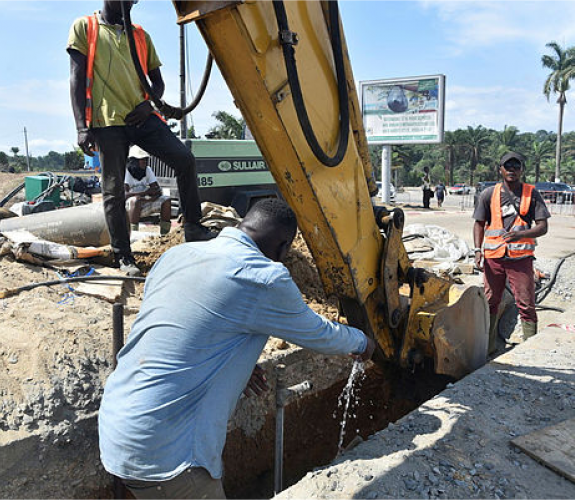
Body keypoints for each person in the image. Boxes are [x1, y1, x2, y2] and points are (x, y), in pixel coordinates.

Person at [98, 198, 376, 499]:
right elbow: (319, 333)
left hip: (117, 426)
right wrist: (363, 342)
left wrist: (235, 363)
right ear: (284, 249)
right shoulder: (264, 277)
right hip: (168, 454)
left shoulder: (177, 255)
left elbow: (180, 329)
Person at [67, 0, 215, 277]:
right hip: (106, 121)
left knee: (184, 159)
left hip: (141, 117)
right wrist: (81, 127)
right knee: (112, 191)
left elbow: (156, 82)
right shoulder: (84, 27)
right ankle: (124, 257)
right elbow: (76, 78)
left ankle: (193, 227)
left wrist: (150, 104)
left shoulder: (140, 35)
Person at [472, 152, 550, 354]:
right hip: (493, 258)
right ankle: (487, 350)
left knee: (526, 303)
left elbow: (543, 227)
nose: (512, 170)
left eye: (516, 167)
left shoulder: (531, 194)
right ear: (500, 169)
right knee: (490, 302)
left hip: (520, 259)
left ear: (522, 170)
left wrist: (521, 235)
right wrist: (477, 250)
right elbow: (479, 224)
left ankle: (529, 351)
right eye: (508, 166)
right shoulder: (489, 194)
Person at [124, 146, 172, 236]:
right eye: (141, 160)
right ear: (134, 161)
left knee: (166, 200)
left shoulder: (148, 170)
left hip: (145, 202)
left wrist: (148, 198)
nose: (144, 162)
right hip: (128, 207)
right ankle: (133, 234)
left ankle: (164, 234)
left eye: (145, 160)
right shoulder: (125, 172)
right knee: (135, 200)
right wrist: (145, 193)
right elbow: (125, 195)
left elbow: (157, 190)